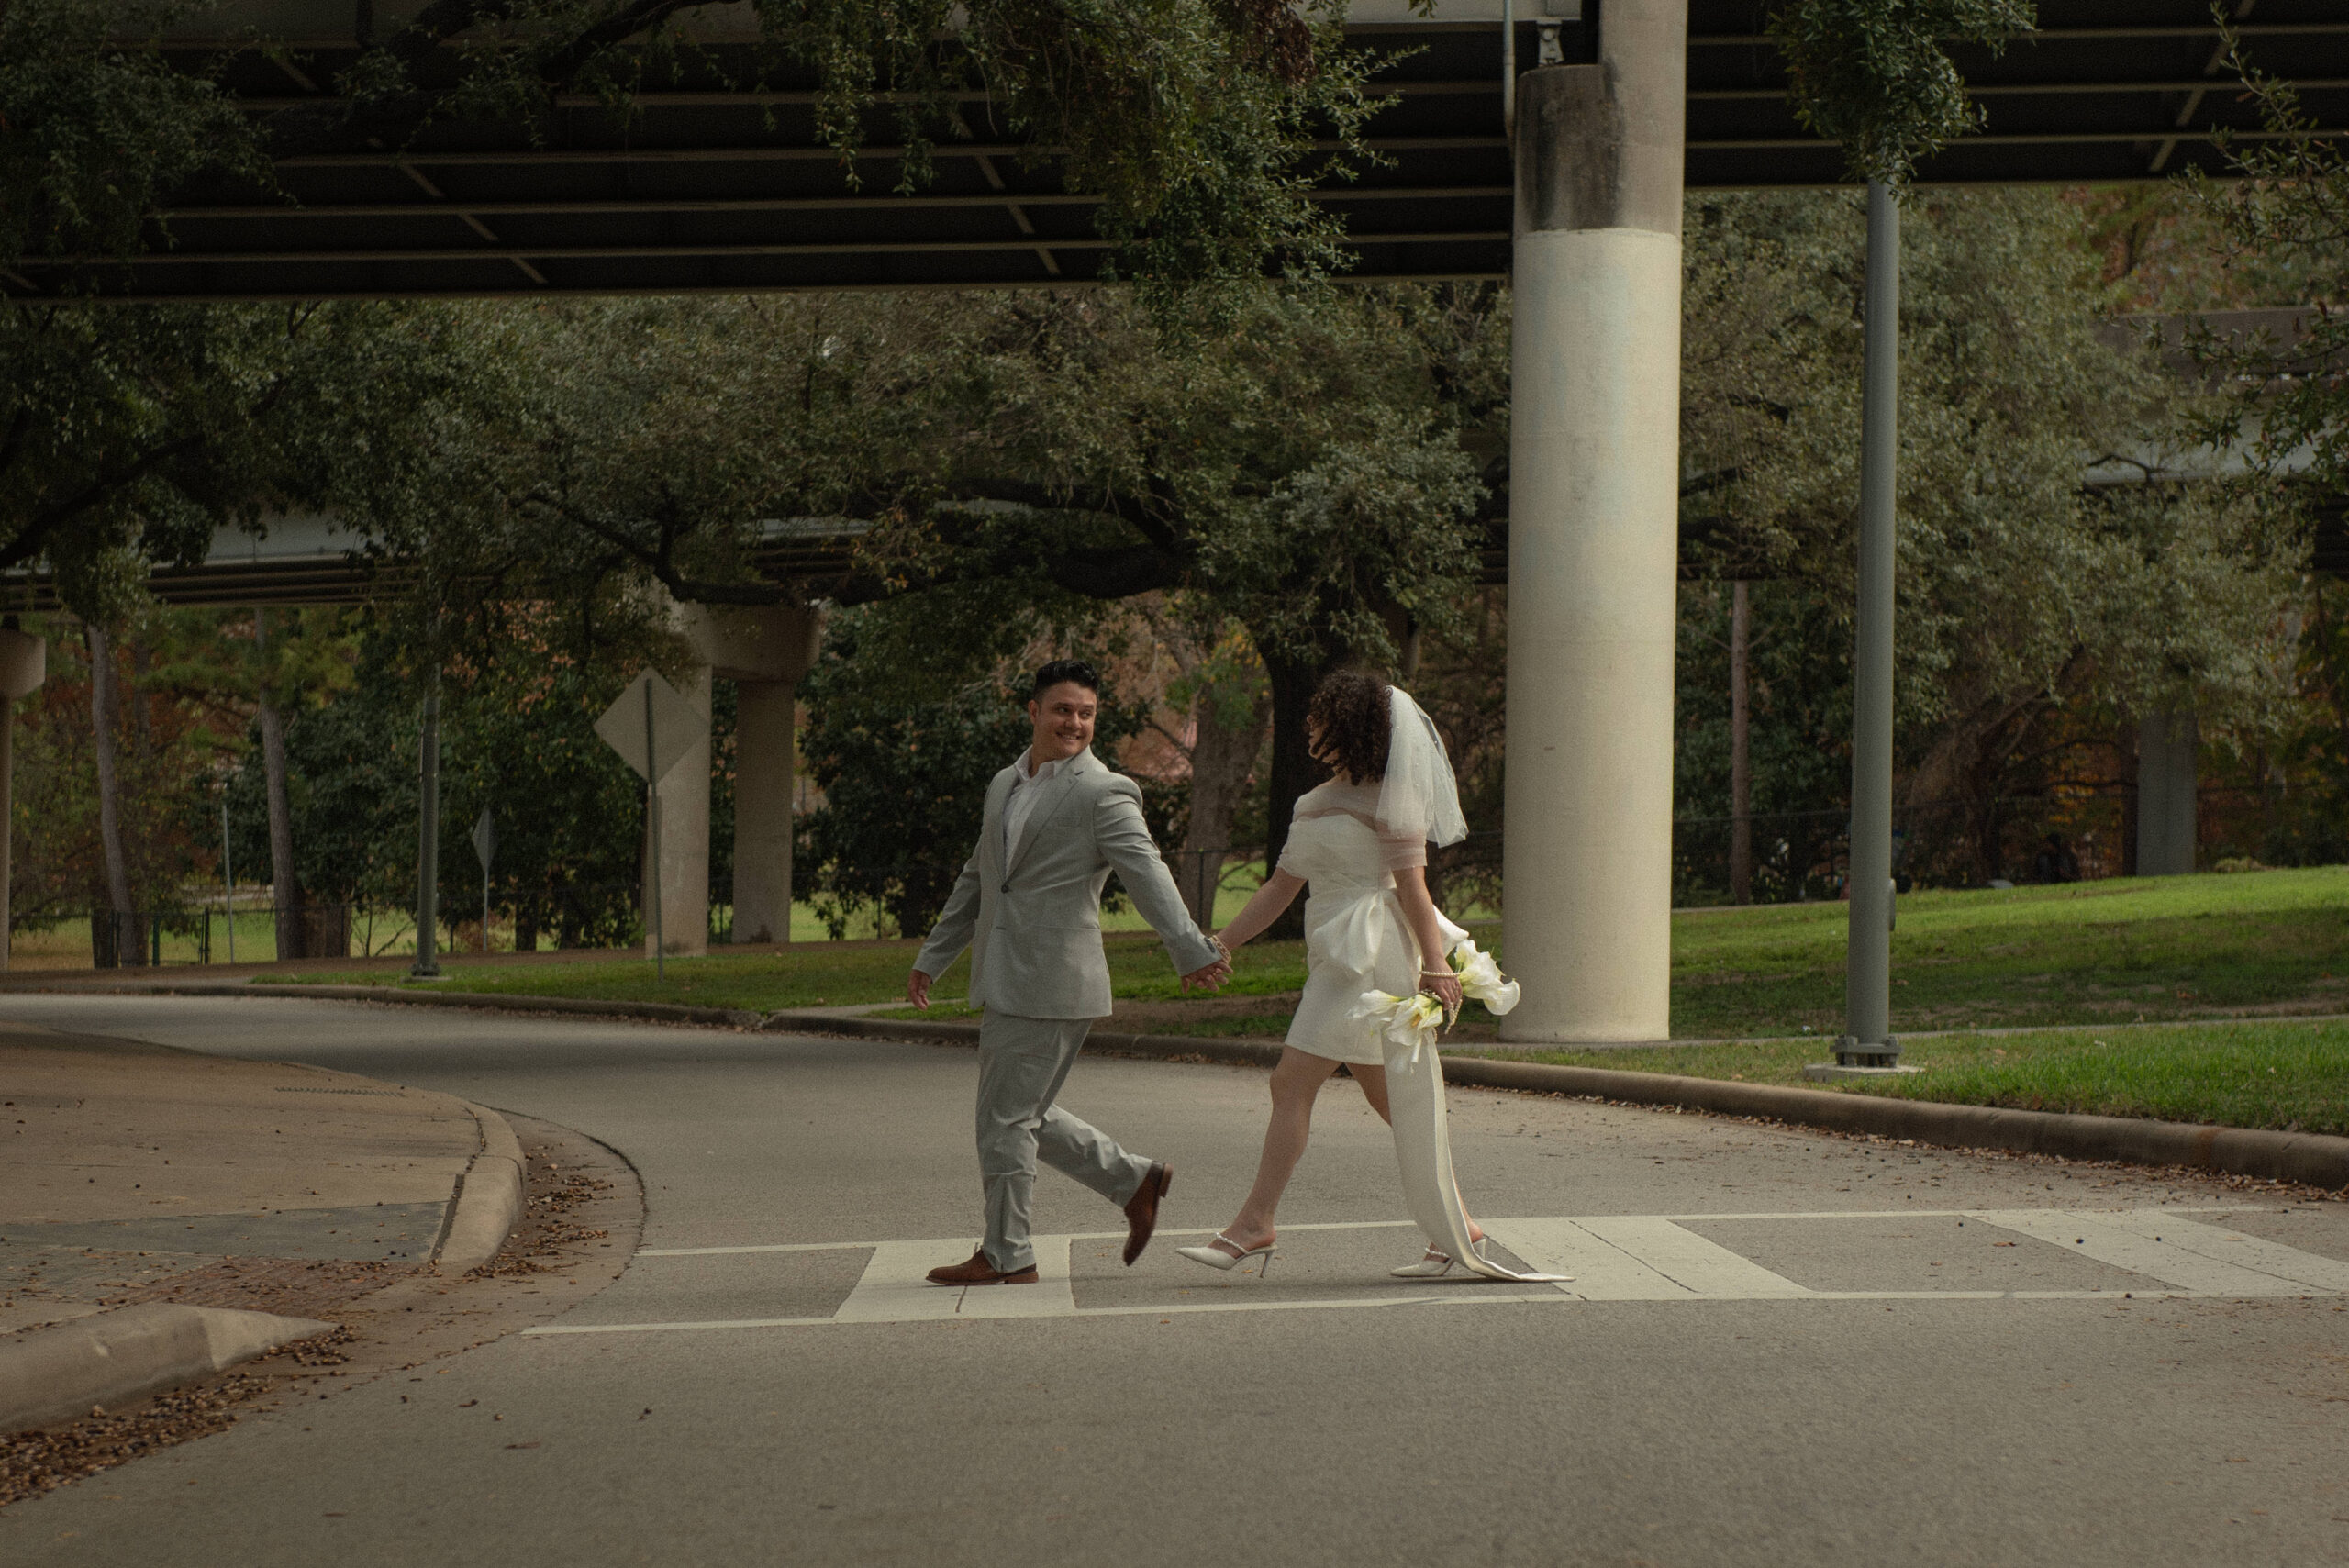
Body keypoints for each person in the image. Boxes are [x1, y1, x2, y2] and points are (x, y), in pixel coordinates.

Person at [1175, 670, 1556, 1284]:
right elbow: (1280, 888)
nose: (1308, 724)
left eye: (1319, 716)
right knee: (1391, 1099)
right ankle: (1458, 1223)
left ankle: (1254, 1223)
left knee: (1290, 1082)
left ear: (1349, 725)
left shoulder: (1392, 801)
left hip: (1374, 959)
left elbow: (1412, 887)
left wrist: (1435, 966)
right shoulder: (1311, 801)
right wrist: (1218, 943)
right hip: (1333, 955)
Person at [907, 659, 1231, 1286]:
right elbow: (979, 876)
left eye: (1085, 713)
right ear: (1033, 711)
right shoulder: (1005, 782)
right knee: (1020, 1111)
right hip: (1009, 971)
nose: (1074, 723)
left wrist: (1190, 948)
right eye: (1062, 710)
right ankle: (1133, 1178)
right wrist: (934, 954)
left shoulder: (1101, 791)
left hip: (1052, 977)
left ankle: (1008, 1253)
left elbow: (1147, 872)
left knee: (1004, 1118)